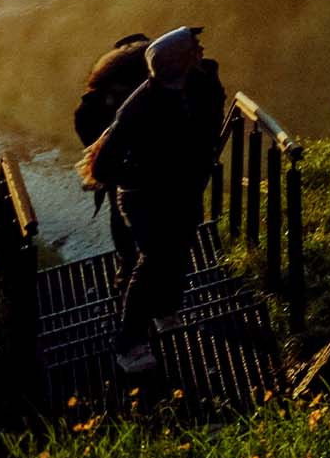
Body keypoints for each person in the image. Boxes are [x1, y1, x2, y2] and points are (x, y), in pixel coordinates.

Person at [80, 26, 228, 376]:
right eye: (194, 48)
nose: (201, 50)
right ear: (178, 61)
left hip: (182, 189)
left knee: (179, 247)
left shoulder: (198, 84)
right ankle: (129, 344)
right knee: (153, 261)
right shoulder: (141, 106)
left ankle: (166, 309)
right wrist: (138, 176)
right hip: (145, 198)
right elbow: (103, 163)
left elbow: (209, 126)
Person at [70, 33, 156, 253]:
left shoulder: (107, 81)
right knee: (128, 210)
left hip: (116, 159)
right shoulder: (136, 82)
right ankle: (133, 263)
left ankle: (127, 264)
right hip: (123, 160)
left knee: (119, 209)